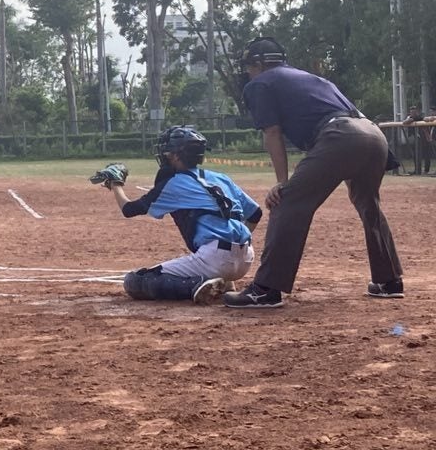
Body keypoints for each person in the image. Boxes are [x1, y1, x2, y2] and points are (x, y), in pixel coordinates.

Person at [223, 37, 404, 309]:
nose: (248, 72)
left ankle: (266, 289)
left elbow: (272, 133)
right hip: (373, 133)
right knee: (369, 205)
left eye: (249, 66)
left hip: (340, 135)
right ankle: (390, 281)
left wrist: (281, 183)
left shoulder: (261, 83)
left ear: (259, 65)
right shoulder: (308, 78)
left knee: (286, 201)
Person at [91, 126, 262, 304]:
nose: (165, 154)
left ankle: (197, 285)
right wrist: (235, 246)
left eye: (168, 151)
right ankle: (223, 280)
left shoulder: (173, 183)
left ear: (177, 156)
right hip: (246, 257)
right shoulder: (221, 178)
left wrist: (116, 184)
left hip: (215, 258)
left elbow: (129, 209)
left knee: (136, 281)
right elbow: (255, 213)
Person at [402, 105, 425, 175]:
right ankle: (416, 170)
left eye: (414, 111)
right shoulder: (410, 117)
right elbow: (404, 122)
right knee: (415, 155)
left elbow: (407, 121)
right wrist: (408, 119)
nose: (412, 113)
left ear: (416, 111)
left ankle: (419, 170)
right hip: (413, 138)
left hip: (420, 138)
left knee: (419, 155)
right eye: (411, 111)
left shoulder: (419, 117)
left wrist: (409, 119)